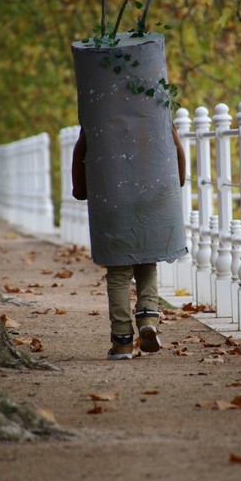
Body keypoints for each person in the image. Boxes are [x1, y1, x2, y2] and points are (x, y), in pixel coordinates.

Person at [71, 123, 186, 360]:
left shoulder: (101, 112)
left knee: (118, 272)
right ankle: (147, 318)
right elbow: (177, 149)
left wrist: (80, 188)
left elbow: (80, 151)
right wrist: (179, 180)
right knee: (147, 263)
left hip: (112, 200)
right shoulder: (155, 111)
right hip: (150, 200)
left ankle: (122, 341)